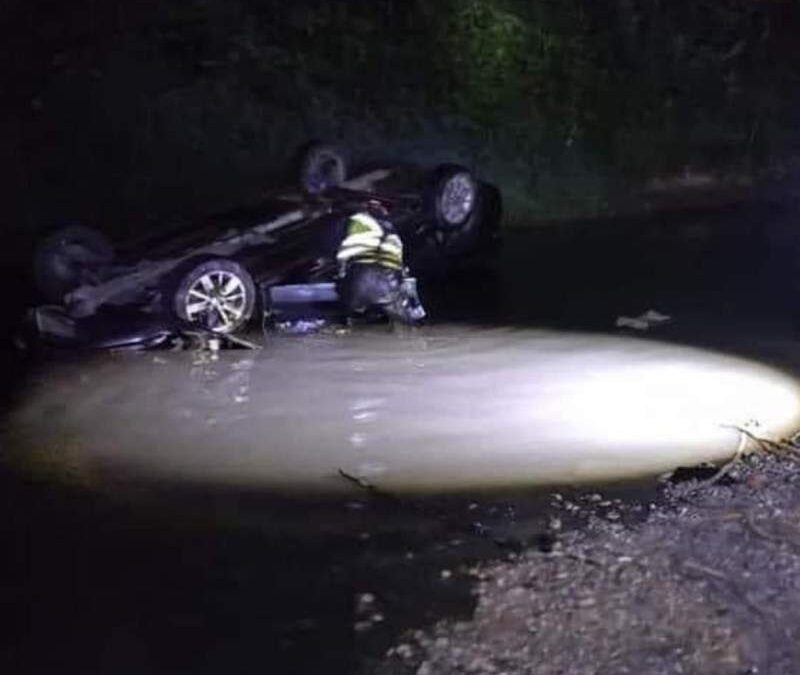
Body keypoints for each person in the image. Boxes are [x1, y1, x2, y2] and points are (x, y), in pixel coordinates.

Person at [335, 200, 425, 324]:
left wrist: (341, 275)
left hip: (360, 281)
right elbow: (401, 268)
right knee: (403, 320)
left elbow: (342, 256)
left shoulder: (356, 222)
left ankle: (350, 318)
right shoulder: (393, 232)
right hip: (388, 284)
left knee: (348, 311)